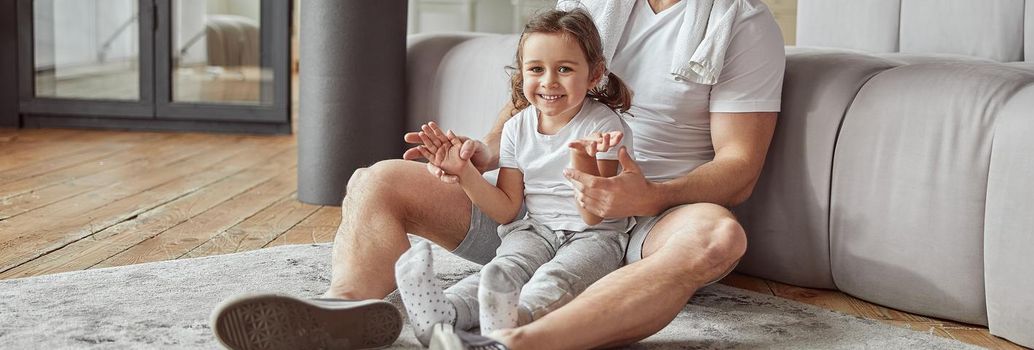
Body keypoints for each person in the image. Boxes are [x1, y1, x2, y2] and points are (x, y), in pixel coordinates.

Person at [212, 0, 784, 349]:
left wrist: (648, 193)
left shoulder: (740, 23)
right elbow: (530, 108)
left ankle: (518, 339)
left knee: (719, 234)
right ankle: (347, 312)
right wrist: (477, 156)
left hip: (647, 221)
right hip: (532, 214)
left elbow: (738, 170)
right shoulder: (595, 4)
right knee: (375, 179)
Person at [394, 8, 637, 346]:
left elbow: (595, 215)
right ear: (522, 75)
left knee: (556, 278)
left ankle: (513, 324)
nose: (549, 81)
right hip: (536, 229)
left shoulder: (604, 126)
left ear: (594, 74)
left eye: (564, 69)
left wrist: (582, 155)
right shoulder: (516, 127)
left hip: (595, 238)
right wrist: (464, 172)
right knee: (503, 268)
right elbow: (508, 209)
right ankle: (441, 313)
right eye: (536, 69)